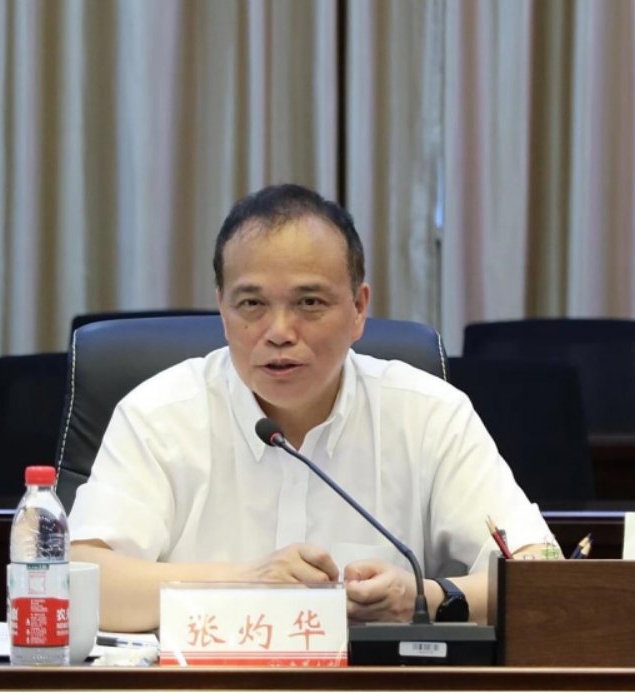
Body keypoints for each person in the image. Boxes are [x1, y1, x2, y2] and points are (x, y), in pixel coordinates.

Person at [69, 184, 555, 633]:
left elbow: (543, 570)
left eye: (309, 302)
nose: (279, 332)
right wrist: (243, 584)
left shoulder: (429, 415)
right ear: (222, 309)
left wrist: (425, 598)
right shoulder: (159, 415)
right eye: (251, 304)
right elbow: (77, 582)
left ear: (359, 309)